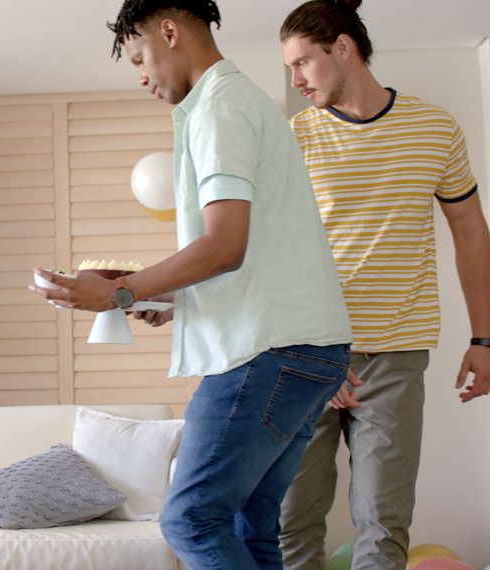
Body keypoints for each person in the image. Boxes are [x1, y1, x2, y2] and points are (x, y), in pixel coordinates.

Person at [28, 1, 352, 568]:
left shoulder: (219, 109)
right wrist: (169, 296)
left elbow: (225, 246)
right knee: (251, 528)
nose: (142, 77)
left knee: (191, 520)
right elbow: (258, 251)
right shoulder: (241, 102)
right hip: (308, 348)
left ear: (170, 32)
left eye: (139, 58)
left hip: (266, 352)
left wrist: (121, 290)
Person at [277, 2, 490, 568]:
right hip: (306, 354)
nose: (295, 82)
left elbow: (470, 230)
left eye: (302, 64)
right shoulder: (293, 138)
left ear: (343, 48)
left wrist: (485, 338)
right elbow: (275, 254)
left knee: (383, 524)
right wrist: (321, 355)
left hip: (394, 357)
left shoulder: (435, 127)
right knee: (292, 523)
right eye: (289, 69)